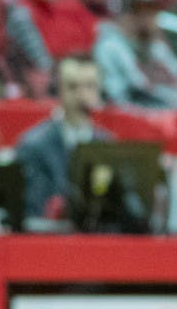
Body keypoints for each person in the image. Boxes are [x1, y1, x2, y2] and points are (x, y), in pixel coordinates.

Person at [14, 56, 110, 220]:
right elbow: (32, 211)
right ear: (59, 91)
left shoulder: (108, 145)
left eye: (90, 86)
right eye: (72, 87)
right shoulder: (34, 146)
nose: (82, 95)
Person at [92, 0, 177, 111]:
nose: (147, 18)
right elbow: (116, 96)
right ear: (125, 15)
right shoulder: (109, 48)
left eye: (151, 11)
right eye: (139, 11)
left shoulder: (157, 48)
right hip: (125, 119)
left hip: (162, 117)